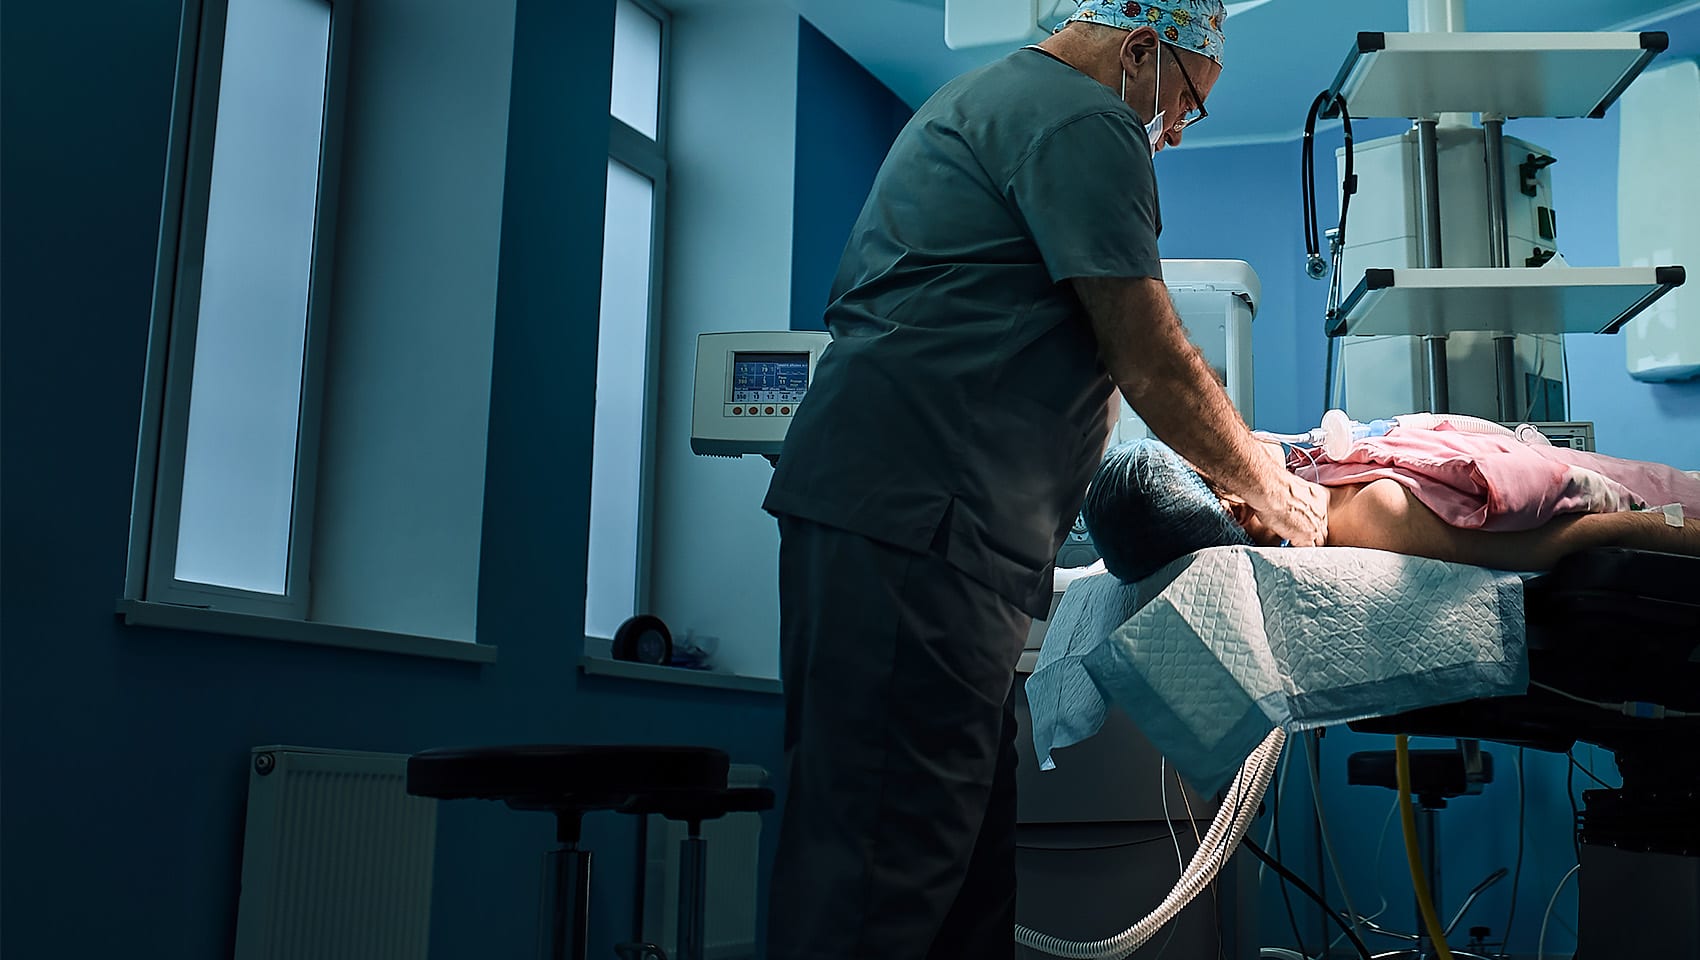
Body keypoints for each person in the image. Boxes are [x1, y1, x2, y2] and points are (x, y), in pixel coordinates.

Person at [759, 3, 1328, 959]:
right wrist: (1268, 486)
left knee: (960, 870)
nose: (1177, 130)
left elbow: (1040, 348)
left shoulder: (980, 103)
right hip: (918, 529)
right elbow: (1147, 351)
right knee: (881, 873)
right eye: (1186, 102)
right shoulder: (1085, 117)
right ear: (1142, 48)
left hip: (918, 529)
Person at [1083, 428, 1700, 582]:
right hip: (1664, 510)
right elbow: (1557, 543)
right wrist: (1674, 527)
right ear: (1235, 503)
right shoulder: (1370, 512)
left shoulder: (1316, 472)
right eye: (1212, 453)